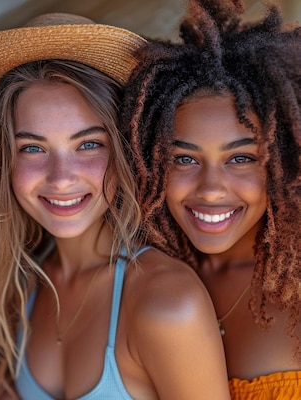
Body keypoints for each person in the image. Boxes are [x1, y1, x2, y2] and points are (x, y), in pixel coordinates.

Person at [0, 12, 230, 400]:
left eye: (88, 144)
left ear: (124, 148)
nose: (61, 178)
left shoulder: (167, 301)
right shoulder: (19, 289)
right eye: (32, 148)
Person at [123, 0, 301, 398]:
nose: (211, 188)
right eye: (183, 158)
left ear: (282, 161)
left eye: (241, 158)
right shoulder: (141, 273)